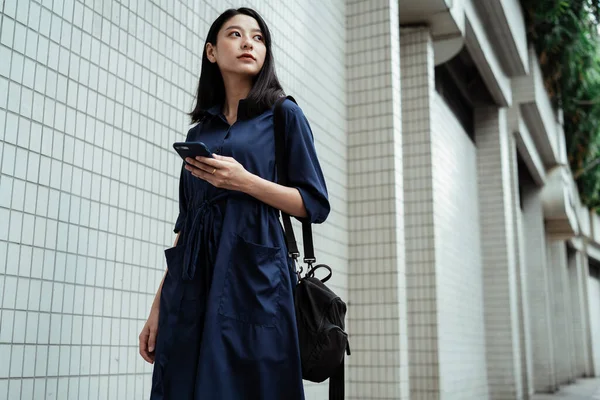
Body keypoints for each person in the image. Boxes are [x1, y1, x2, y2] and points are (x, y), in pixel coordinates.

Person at [138, 7, 330, 400]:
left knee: (247, 385)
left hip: (253, 278)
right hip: (193, 280)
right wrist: (159, 303)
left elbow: (314, 203)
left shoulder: (283, 115)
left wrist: (245, 182)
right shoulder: (200, 131)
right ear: (212, 51)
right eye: (235, 35)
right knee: (183, 385)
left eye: (258, 38)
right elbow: (186, 222)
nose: (248, 43)